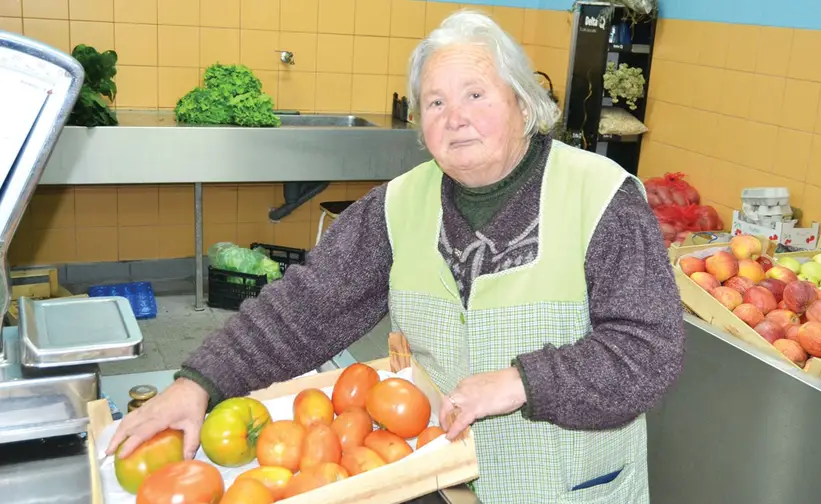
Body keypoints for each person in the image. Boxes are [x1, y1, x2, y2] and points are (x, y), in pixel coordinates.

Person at [107, 10, 685, 503]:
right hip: (437, 480)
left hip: (572, 486)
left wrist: (522, 382)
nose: (453, 117)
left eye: (475, 95)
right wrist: (200, 382)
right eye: (434, 102)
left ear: (524, 104)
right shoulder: (396, 206)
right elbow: (304, 309)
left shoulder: (602, 196)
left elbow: (648, 352)